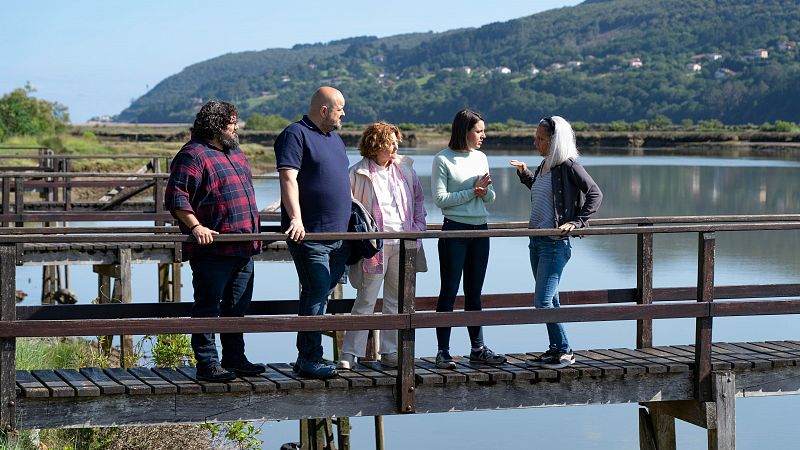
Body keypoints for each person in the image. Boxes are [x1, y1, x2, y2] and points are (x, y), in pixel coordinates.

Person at [165, 100, 264, 382]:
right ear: (217, 125)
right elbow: (177, 196)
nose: (236, 128)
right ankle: (207, 363)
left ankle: (235, 358)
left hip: (245, 246)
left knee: (237, 308)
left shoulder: (235, 153)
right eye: (233, 123)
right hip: (212, 249)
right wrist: (195, 226)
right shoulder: (193, 155)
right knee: (208, 306)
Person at [510, 116, 603, 369]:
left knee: (542, 302)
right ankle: (555, 348)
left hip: (554, 244)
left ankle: (565, 350)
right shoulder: (544, 166)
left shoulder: (568, 165)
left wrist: (578, 221)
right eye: (536, 138)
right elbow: (542, 194)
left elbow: (595, 193)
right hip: (536, 243)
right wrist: (525, 174)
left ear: (554, 140)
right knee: (551, 302)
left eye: (540, 139)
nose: (535, 143)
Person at [274, 87, 351, 379]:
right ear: (323, 110)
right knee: (316, 290)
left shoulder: (335, 139)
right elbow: (288, 177)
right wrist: (295, 218)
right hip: (311, 236)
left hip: (341, 237)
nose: (343, 113)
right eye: (340, 108)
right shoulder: (295, 134)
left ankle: (306, 355)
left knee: (321, 295)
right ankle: (309, 359)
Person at [338, 122, 428, 370]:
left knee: (395, 302)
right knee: (365, 301)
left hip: (404, 244)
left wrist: (418, 227)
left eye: (396, 141)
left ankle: (389, 352)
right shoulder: (357, 173)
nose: (395, 146)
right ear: (376, 144)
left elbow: (419, 199)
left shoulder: (405, 169)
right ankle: (349, 354)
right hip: (373, 248)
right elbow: (349, 209)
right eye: (390, 142)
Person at [431, 108, 507, 369]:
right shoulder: (443, 159)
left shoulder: (481, 157)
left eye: (484, 131)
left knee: (475, 293)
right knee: (449, 292)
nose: (483, 135)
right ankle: (443, 352)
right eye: (479, 131)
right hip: (454, 231)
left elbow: (491, 197)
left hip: (480, 231)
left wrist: (484, 192)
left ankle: (478, 348)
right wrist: (471, 192)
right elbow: (441, 200)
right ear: (464, 131)